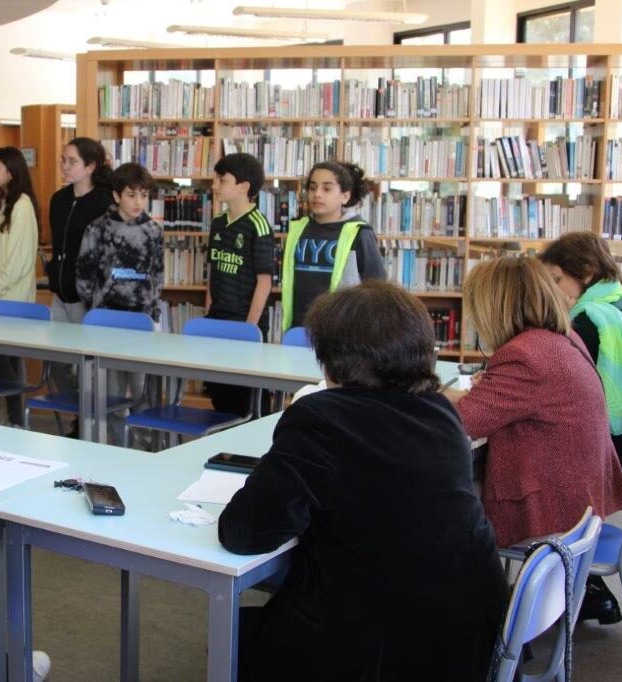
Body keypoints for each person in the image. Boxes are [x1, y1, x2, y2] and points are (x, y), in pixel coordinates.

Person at [219, 281, 508, 681]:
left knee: (230, 638)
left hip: (375, 645)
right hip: (469, 634)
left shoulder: (320, 417)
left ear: (332, 361)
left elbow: (245, 532)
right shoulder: (440, 411)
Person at [449, 257, 622, 623]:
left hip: (551, 511)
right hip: (581, 502)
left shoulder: (524, 356)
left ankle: (464, 619)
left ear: (494, 306)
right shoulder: (559, 340)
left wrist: (419, 401)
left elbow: (460, 423)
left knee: (435, 514)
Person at [75, 162, 164, 443]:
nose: (138, 202)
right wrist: (98, 305)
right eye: (131, 195)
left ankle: (142, 442)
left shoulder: (152, 231)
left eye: (143, 195)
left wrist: (149, 306)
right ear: (116, 196)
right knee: (111, 390)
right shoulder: (97, 229)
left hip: (141, 322)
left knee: (140, 388)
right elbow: (85, 273)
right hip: (106, 322)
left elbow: (158, 276)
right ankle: (117, 442)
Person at [540, 231, 622, 480]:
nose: (552, 292)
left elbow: (561, 387)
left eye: (556, 280)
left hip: (612, 452)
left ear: (587, 271)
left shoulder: (590, 319)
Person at [47, 137, 114, 436]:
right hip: (59, 292)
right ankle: (79, 413)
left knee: (88, 366)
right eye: (62, 160)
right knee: (58, 361)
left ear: (90, 166)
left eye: (72, 161)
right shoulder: (59, 199)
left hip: (87, 298)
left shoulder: (103, 202)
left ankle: (90, 424)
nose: (65, 166)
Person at [204, 153, 276, 416]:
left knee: (247, 397)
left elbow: (264, 281)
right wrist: (209, 314)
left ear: (243, 187)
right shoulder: (218, 222)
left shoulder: (259, 226)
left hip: (245, 322)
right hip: (218, 319)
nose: (215, 185)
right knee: (220, 393)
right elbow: (213, 270)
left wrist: (250, 327)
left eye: (222, 180)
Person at [281, 160, 386, 332]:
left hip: (342, 332)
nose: (317, 194)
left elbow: (378, 287)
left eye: (327, 188)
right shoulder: (298, 229)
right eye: (313, 188)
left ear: (345, 196)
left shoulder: (358, 232)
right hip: (299, 328)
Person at [0, 146, 40, 426]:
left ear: (11, 171)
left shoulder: (23, 206)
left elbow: (19, 260)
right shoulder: (4, 203)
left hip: (12, 300)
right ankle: (13, 419)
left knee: (8, 365)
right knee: (1, 363)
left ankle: (16, 421)